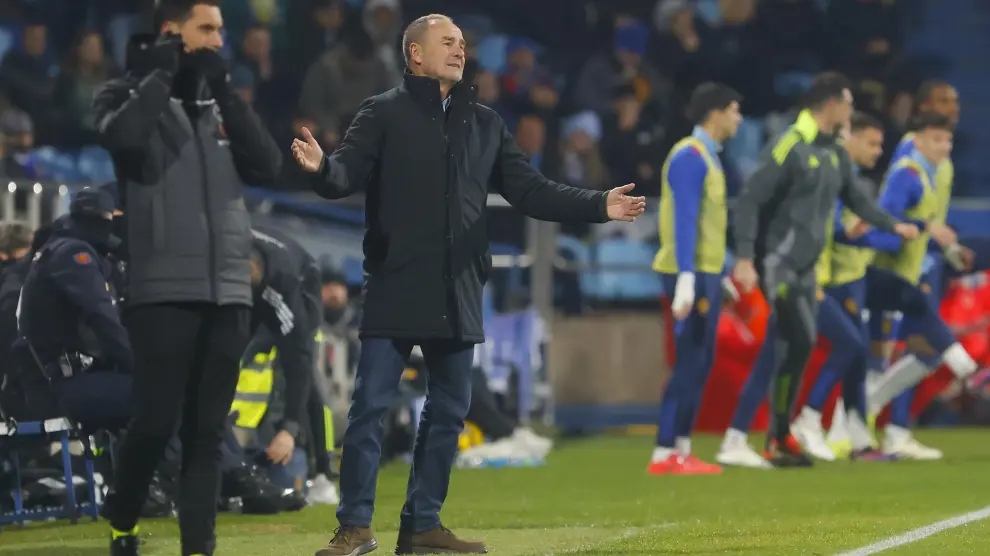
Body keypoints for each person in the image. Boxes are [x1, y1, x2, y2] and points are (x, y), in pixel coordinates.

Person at [290, 13, 645, 556]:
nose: (460, 50)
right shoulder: (382, 113)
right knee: (369, 410)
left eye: (462, 42)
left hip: (457, 290)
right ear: (415, 54)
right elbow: (344, 175)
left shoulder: (484, 123)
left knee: (449, 413)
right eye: (447, 42)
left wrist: (598, 204)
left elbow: (530, 190)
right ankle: (355, 528)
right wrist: (320, 169)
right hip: (396, 284)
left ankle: (422, 525)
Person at [91, 1, 282, 554]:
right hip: (161, 291)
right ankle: (123, 519)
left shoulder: (219, 102)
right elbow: (124, 139)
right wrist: (163, 71)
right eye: (208, 29)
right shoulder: (125, 93)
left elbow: (268, 165)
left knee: (205, 433)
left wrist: (223, 94)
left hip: (227, 289)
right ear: (174, 31)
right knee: (153, 424)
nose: (221, 40)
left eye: (222, 28)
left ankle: (199, 548)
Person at [728, 72, 915, 467]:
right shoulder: (789, 146)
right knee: (799, 343)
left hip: (807, 270)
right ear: (830, 104)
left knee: (789, 350)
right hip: (778, 264)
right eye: (847, 103)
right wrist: (745, 256)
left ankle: (768, 438)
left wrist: (892, 225)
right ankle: (780, 434)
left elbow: (857, 200)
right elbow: (749, 201)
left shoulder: (833, 152)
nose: (851, 110)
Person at [847, 113, 978, 458]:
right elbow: (886, 229)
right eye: (937, 140)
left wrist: (944, 246)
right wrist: (919, 229)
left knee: (895, 357)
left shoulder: (931, 174)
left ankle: (867, 419)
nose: (944, 147)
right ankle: (850, 425)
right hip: (886, 279)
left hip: (908, 276)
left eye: (948, 141)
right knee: (878, 355)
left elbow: (912, 228)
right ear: (917, 140)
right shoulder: (907, 175)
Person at [649, 82, 742, 475]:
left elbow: (707, 225)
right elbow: (684, 221)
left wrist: (717, 272)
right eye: (735, 111)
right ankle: (664, 451)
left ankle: (681, 448)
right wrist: (687, 276)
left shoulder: (709, 156)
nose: (739, 119)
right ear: (716, 113)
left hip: (705, 271)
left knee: (701, 362)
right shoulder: (690, 156)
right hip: (686, 272)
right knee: (688, 362)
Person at [790, 113, 894, 462]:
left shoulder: (850, 178)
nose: (878, 151)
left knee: (856, 353)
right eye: (871, 143)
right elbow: (831, 228)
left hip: (850, 276)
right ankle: (807, 418)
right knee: (850, 346)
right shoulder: (830, 174)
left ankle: (857, 438)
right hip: (832, 279)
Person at [4, 188, 132, 433]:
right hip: (58, 386)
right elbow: (102, 318)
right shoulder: (73, 255)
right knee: (159, 397)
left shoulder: (69, 251)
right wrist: (137, 364)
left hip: (64, 379)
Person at [226, 226, 321, 492]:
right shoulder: (222, 255)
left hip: (302, 281)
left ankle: (319, 468)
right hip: (255, 277)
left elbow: (298, 360)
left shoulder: (283, 283)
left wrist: (289, 428)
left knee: (301, 364)